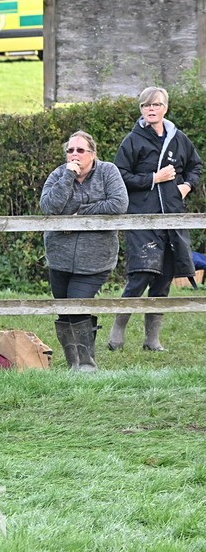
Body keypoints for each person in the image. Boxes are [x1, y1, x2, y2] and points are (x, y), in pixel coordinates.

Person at [109, 86, 202, 352]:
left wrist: (187, 186)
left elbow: (195, 165)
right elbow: (120, 175)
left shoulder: (178, 138)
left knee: (164, 278)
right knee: (140, 276)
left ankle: (152, 339)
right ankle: (117, 333)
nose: (151, 109)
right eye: (145, 106)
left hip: (172, 217)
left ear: (166, 108)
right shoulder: (132, 140)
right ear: (141, 110)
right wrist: (153, 179)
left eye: (156, 105)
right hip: (142, 218)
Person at [39, 130, 128, 371]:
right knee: (63, 311)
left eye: (80, 150)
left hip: (96, 257)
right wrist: (68, 177)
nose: (75, 155)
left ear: (93, 153)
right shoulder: (58, 174)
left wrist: (80, 216)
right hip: (59, 256)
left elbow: (118, 203)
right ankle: (73, 365)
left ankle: (87, 365)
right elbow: (49, 207)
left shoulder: (108, 171)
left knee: (77, 306)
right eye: (70, 150)